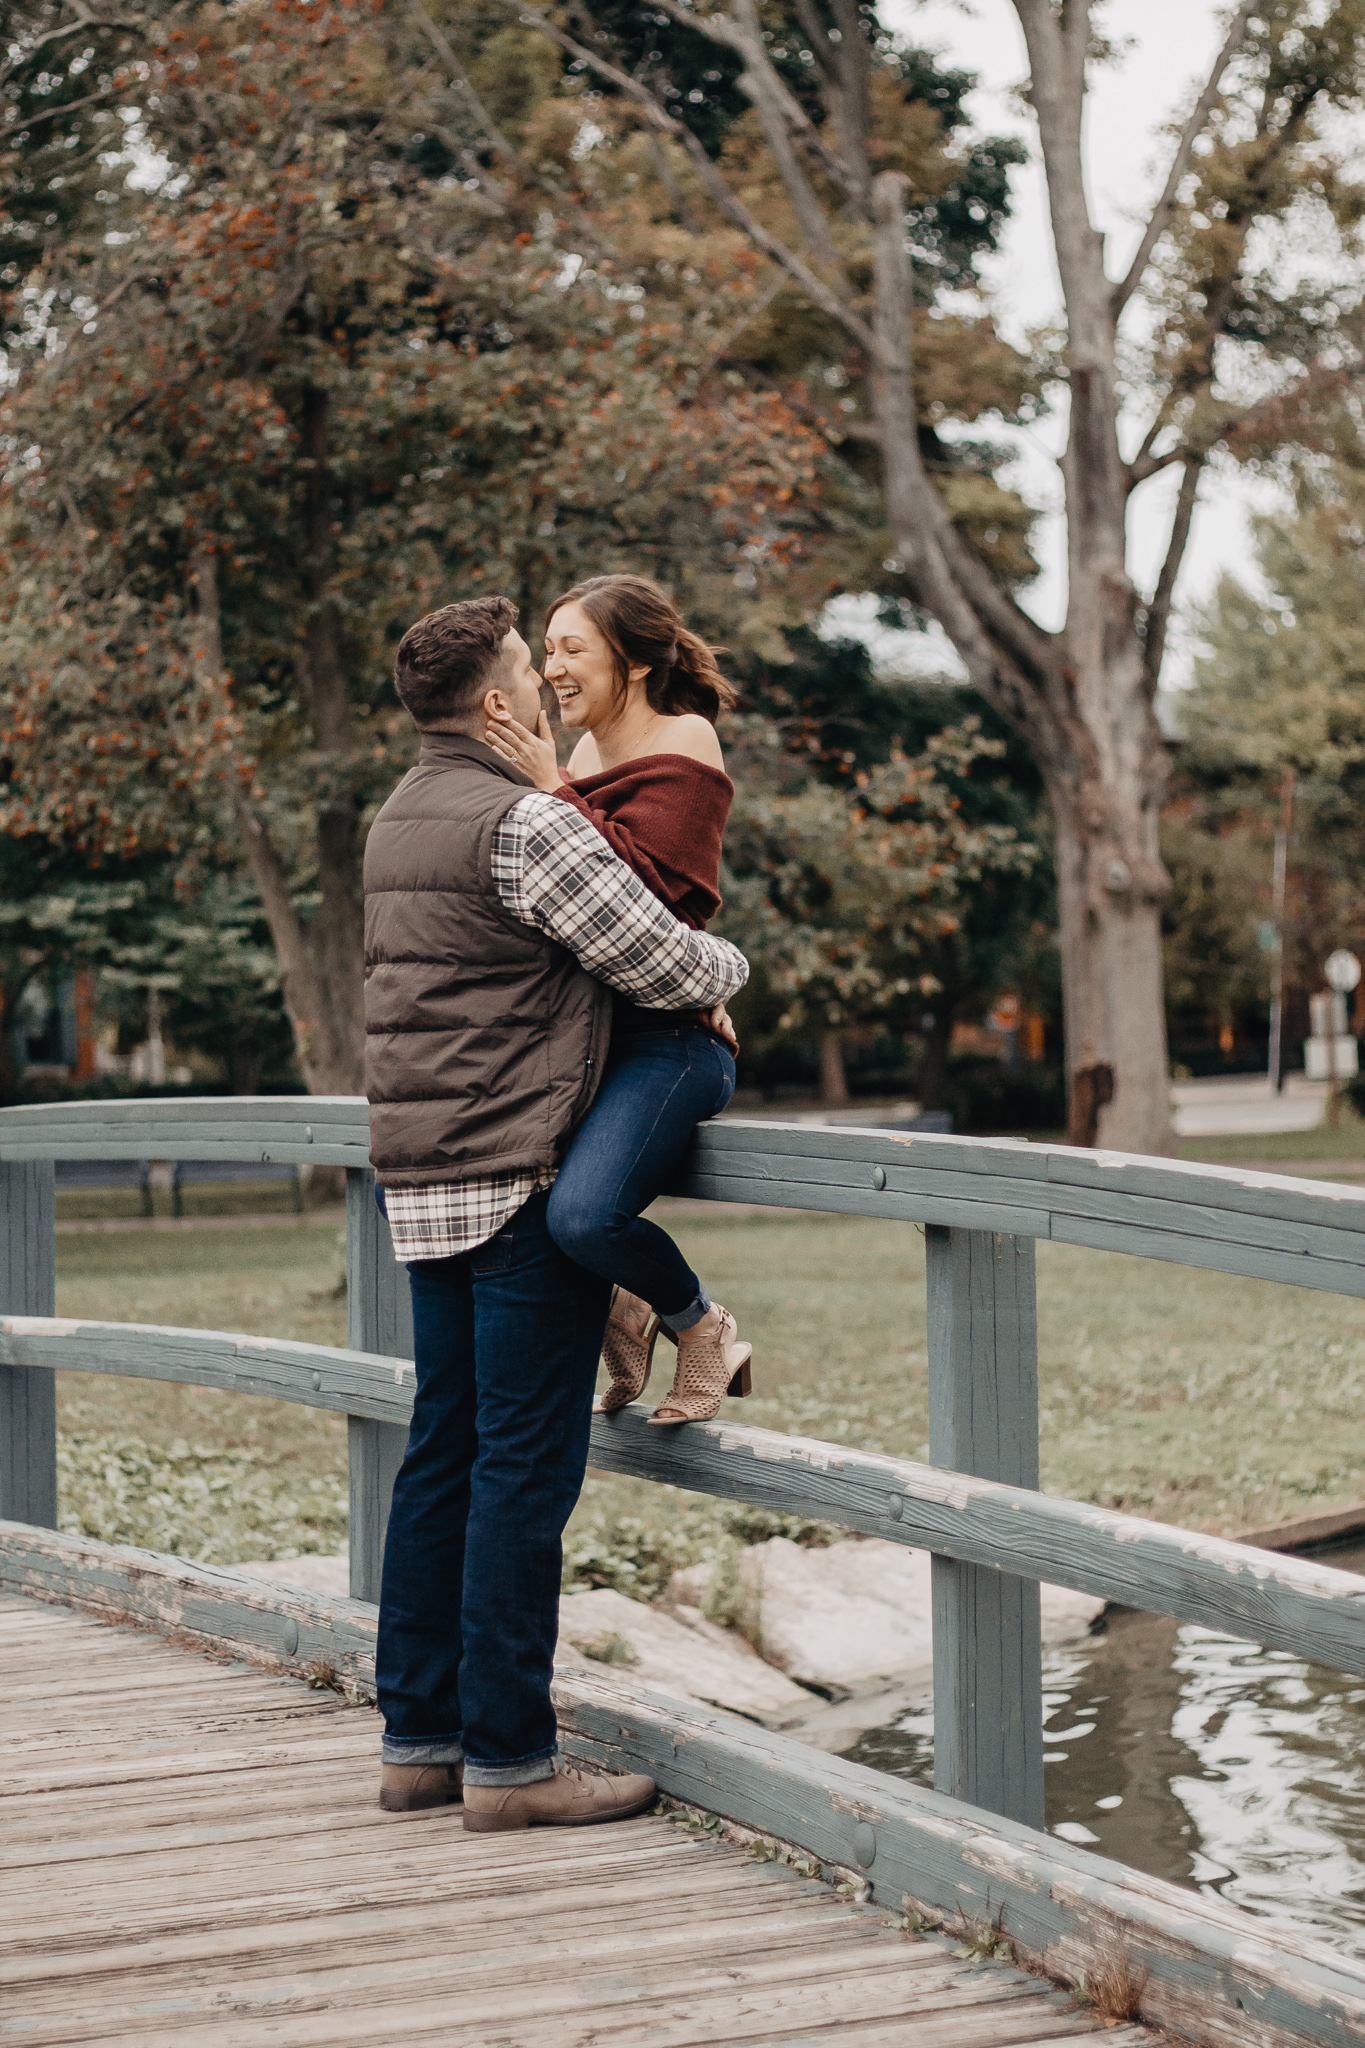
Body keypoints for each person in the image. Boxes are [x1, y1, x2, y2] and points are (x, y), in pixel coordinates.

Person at [364, 594, 748, 1829]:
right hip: (520, 1177)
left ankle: (419, 1742)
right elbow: (672, 963)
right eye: (528, 667)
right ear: (492, 702)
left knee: (441, 1455)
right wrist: (735, 973)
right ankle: (512, 1766)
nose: (541, 685)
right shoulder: (526, 823)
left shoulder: (397, 818)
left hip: (420, 1177)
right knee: (521, 1472)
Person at [482, 574, 754, 1426]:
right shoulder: (582, 759)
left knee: (588, 1215)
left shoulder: (686, 736)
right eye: (548, 651)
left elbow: (648, 903)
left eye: (573, 650)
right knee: (510, 1188)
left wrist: (548, 787)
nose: (553, 670)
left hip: (671, 1045)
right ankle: (623, 1308)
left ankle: (701, 1323)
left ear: (631, 663)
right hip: (585, 1037)